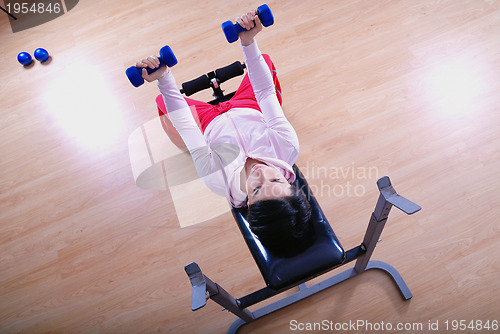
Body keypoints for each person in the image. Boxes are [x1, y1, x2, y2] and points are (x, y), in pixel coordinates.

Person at [136, 10, 313, 257]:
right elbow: (264, 93)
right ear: (290, 182)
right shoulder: (287, 147)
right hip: (249, 104)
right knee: (266, 61)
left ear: (248, 203)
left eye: (258, 188)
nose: (262, 174)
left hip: (208, 123)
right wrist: (248, 41)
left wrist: (164, 78)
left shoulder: (217, 180)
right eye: (276, 180)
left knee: (163, 102)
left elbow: (187, 125)